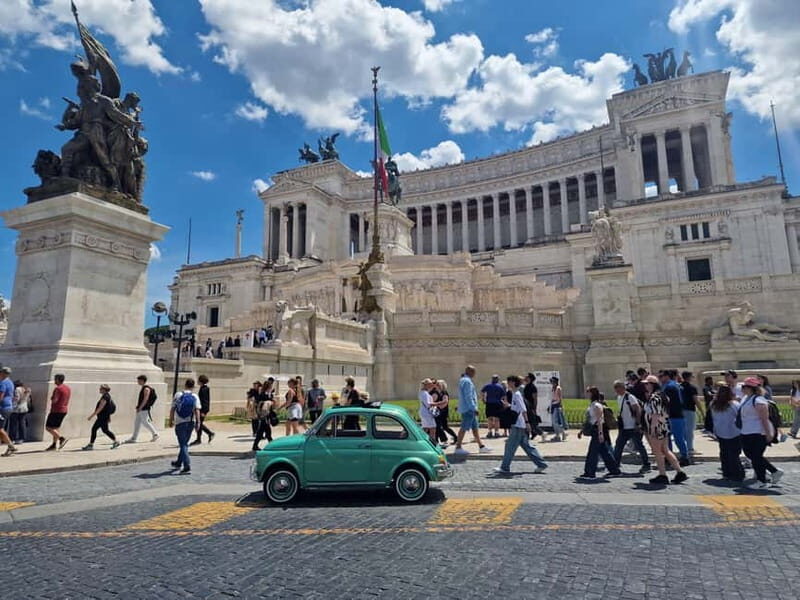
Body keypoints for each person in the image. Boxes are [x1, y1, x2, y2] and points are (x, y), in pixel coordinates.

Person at [493, 375, 548, 475]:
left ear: (513, 383)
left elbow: (523, 409)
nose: (508, 384)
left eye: (509, 382)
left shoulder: (517, 394)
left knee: (510, 446)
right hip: (519, 424)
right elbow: (517, 408)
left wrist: (527, 423)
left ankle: (505, 467)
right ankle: (541, 464)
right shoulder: (515, 394)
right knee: (527, 446)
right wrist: (508, 405)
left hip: (518, 424)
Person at [739, 376, 783, 490]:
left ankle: (762, 480)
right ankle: (774, 471)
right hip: (746, 431)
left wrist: (769, 434)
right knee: (750, 455)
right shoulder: (746, 398)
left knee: (756, 457)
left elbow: (764, 418)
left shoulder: (759, 400)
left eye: (744, 386)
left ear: (751, 388)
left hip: (758, 432)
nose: (742, 388)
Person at [642, 375, 687, 485]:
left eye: (647, 384)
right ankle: (679, 472)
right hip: (664, 426)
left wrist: (652, 429)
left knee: (658, 452)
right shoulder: (663, 396)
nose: (645, 386)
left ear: (652, 385)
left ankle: (662, 474)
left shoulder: (654, 398)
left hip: (656, 427)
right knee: (665, 450)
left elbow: (655, 414)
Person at [578, 386, 621, 480]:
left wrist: (600, 433)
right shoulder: (593, 405)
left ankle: (590, 472)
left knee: (593, 452)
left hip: (597, 430)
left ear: (592, 393)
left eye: (588, 392)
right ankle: (614, 470)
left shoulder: (597, 405)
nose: (586, 393)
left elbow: (600, 420)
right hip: (595, 429)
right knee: (605, 452)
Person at [612, 380, 651, 473]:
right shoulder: (619, 398)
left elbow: (638, 409)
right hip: (624, 427)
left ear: (622, 388)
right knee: (619, 446)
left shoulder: (630, 397)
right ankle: (615, 464)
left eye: (617, 388)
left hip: (633, 426)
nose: (616, 391)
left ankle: (646, 464)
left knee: (639, 446)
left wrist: (638, 423)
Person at [710, 384, 744, 482]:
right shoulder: (734, 404)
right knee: (734, 454)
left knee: (724, 453)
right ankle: (738, 474)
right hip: (734, 432)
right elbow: (740, 417)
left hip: (720, 431)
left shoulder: (713, 404)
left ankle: (727, 473)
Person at [454, 365, 490, 456]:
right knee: (464, 428)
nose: (474, 374)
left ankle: (481, 446)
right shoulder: (467, 382)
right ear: (470, 372)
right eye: (474, 372)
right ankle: (458, 447)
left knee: (475, 428)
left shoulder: (463, 380)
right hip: (469, 409)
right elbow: (468, 396)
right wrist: (474, 408)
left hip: (467, 408)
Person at [169, 378, 201, 474]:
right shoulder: (195, 396)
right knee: (185, 443)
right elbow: (197, 410)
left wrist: (171, 420)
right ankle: (179, 462)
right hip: (190, 422)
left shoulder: (178, 395)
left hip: (180, 422)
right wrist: (198, 422)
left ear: (185, 385)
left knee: (183, 444)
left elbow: (173, 409)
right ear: (193, 386)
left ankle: (186, 465)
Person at [659, 369, 689, 466]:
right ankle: (676, 456)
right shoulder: (674, 385)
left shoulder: (669, 387)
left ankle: (682, 457)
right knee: (673, 438)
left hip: (673, 415)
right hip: (676, 415)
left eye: (661, 376)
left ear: (667, 376)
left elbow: (666, 402)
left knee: (675, 438)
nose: (660, 378)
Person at [83, 384, 119, 450]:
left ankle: (91, 445)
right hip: (104, 417)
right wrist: (109, 417)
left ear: (104, 389)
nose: (99, 390)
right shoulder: (107, 396)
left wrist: (91, 416)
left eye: (100, 389)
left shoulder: (105, 397)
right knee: (105, 430)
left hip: (102, 417)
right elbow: (108, 407)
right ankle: (115, 441)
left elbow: (100, 408)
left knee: (94, 429)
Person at [126, 375, 160, 444]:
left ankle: (155, 434)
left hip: (144, 408)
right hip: (142, 408)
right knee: (137, 423)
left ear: (142, 380)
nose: (138, 381)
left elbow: (145, 399)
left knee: (145, 422)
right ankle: (134, 438)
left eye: (139, 380)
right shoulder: (144, 388)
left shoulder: (146, 389)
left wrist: (140, 408)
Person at [45, 373, 71, 451]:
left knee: (48, 427)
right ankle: (54, 445)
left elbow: (55, 400)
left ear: (58, 379)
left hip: (56, 410)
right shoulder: (67, 388)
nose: (54, 380)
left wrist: (52, 399)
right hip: (64, 410)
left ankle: (61, 438)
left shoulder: (58, 389)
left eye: (55, 379)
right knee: (55, 428)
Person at [680, 371, 703, 456]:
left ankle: (685, 447)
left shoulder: (679, 386)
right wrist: (701, 410)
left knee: (684, 430)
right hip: (689, 410)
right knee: (690, 430)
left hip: (681, 410)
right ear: (689, 377)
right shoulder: (692, 387)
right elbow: (696, 400)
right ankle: (690, 448)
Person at [431, 379, 458, 446]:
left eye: (438, 384)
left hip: (443, 412)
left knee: (445, 427)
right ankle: (437, 440)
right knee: (437, 426)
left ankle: (455, 437)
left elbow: (445, 402)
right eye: (437, 384)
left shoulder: (444, 393)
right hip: (438, 412)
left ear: (442, 385)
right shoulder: (437, 392)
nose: (436, 385)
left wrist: (436, 404)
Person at [252, 378, 275, 451]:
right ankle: (272, 445)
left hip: (267, 415)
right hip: (263, 415)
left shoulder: (269, 394)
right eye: (270, 386)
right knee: (267, 431)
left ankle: (255, 445)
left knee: (262, 431)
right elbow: (259, 403)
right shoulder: (262, 394)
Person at [191, 374, 215, 445]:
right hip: (203, 408)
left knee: (199, 423)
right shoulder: (204, 388)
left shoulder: (203, 389)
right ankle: (201, 437)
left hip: (203, 409)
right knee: (199, 423)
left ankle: (207, 434)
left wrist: (203, 411)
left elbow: (204, 401)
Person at [0, 367, 17, 456]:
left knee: (0, 429)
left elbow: (1, 396)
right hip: (8, 407)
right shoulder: (10, 382)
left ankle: (11, 446)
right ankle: (10, 446)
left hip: (2, 407)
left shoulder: (2, 383)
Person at [10, 380, 31, 444]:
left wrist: (12, 403)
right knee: (22, 424)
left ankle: (12, 438)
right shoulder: (27, 389)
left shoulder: (17, 389)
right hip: (24, 408)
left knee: (14, 424)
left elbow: (17, 399)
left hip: (16, 409)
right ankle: (22, 438)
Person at [522, 373, 542, 440]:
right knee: (528, 421)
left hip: (530, 406)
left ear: (530, 378)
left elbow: (535, 398)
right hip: (526, 405)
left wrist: (534, 407)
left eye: (527, 377)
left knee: (531, 421)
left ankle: (540, 433)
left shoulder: (533, 387)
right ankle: (532, 433)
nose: (525, 378)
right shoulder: (526, 386)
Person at [548, 376, 567, 442]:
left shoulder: (558, 388)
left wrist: (558, 405)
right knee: (554, 422)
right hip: (553, 405)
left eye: (552, 381)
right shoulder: (553, 388)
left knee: (555, 422)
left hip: (557, 406)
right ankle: (557, 435)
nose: (552, 383)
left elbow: (559, 399)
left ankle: (562, 432)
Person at [418, 379, 437, 443]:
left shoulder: (422, 392)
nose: (431, 385)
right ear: (427, 385)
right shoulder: (425, 393)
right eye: (430, 384)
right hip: (427, 413)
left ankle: (422, 442)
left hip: (424, 412)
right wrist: (439, 403)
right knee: (432, 428)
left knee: (425, 428)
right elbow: (428, 404)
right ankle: (432, 443)